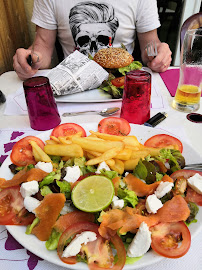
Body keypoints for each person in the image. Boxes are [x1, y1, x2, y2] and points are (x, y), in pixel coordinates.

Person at [13, 0, 172, 81]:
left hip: (123, 86)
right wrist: (31, 59)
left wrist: (157, 51)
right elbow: (42, 46)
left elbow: (150, 43)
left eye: (103, 39)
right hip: (72, 86)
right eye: (83, 40)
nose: (95, 48)